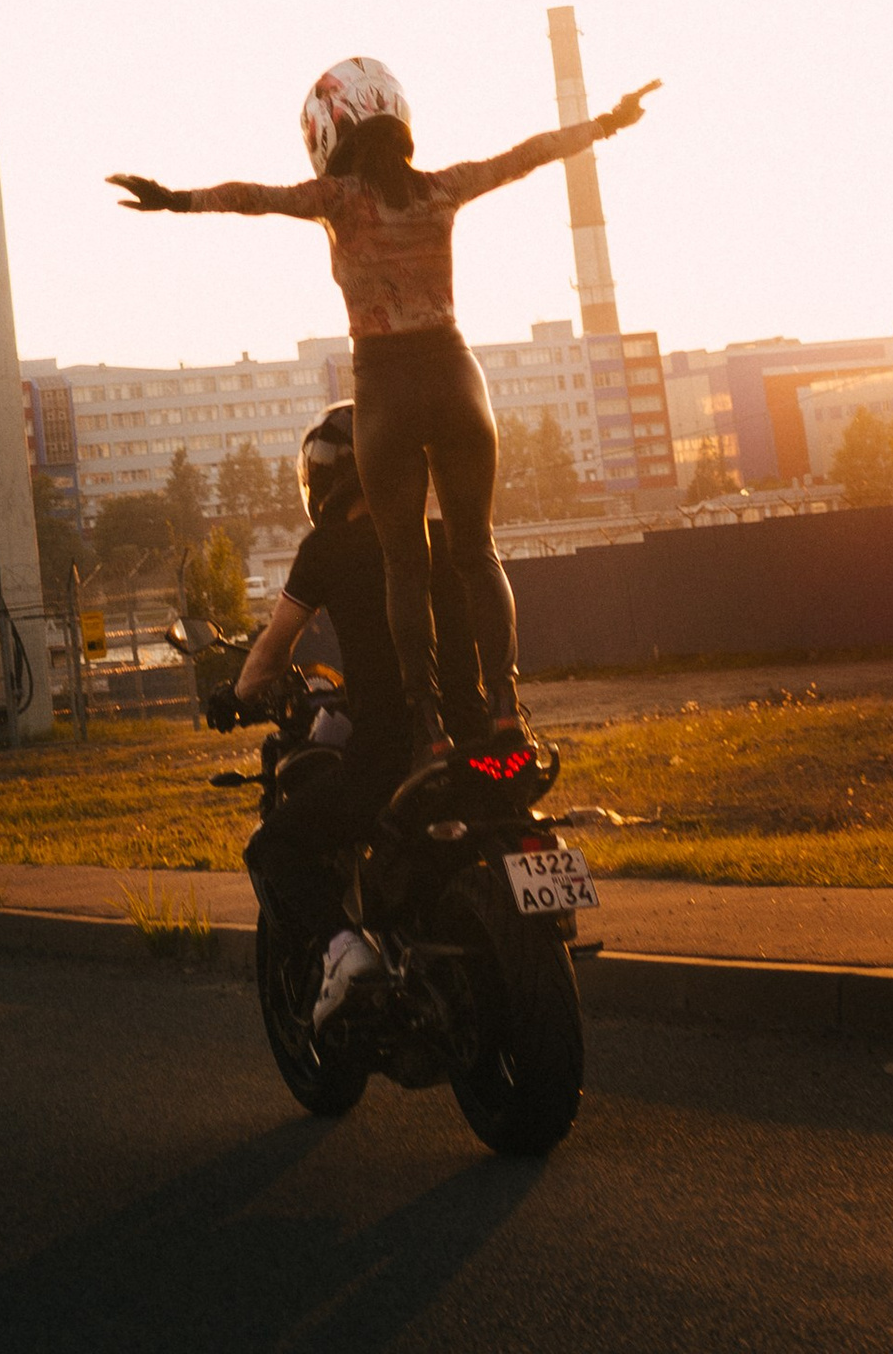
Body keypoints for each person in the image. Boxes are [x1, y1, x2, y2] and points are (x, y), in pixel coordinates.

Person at [111, 52, 657, 789]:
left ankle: (426, 726)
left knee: (406, 563)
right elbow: (526, 156)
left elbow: (252, 197)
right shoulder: (441, 188)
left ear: (331, 133)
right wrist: (607, 123)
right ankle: (503, 708)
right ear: (400, 120)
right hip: (456, 374)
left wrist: (174, 200)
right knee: (477, 552)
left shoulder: (336, 200)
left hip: (386, 385)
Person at [213, 402, 485, 1022]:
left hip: (391, 755)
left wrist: (235, 696)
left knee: (273, 847)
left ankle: (343, 952)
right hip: (478, 741)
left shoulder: (328, 548)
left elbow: (271, 652)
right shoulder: (444, 537)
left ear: (327, 478)